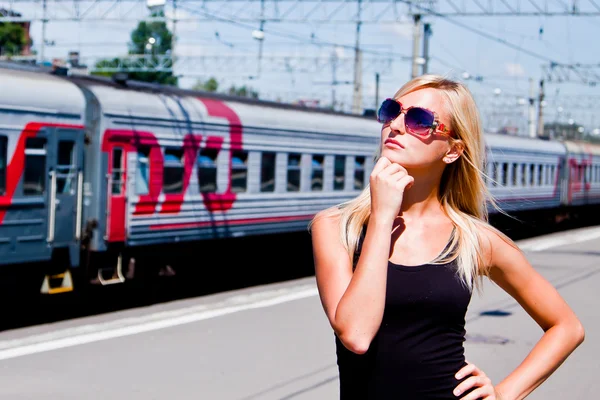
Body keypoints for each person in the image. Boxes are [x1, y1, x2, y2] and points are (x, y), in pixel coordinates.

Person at [308, 74, 585, 400]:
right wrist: (382, 217)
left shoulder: (474, 240)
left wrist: (504, 393)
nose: (396, 125)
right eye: (391, 110)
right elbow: (355, 334)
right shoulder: (338, 226)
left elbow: (567, 327)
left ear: (453, 150)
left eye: (419, 120)